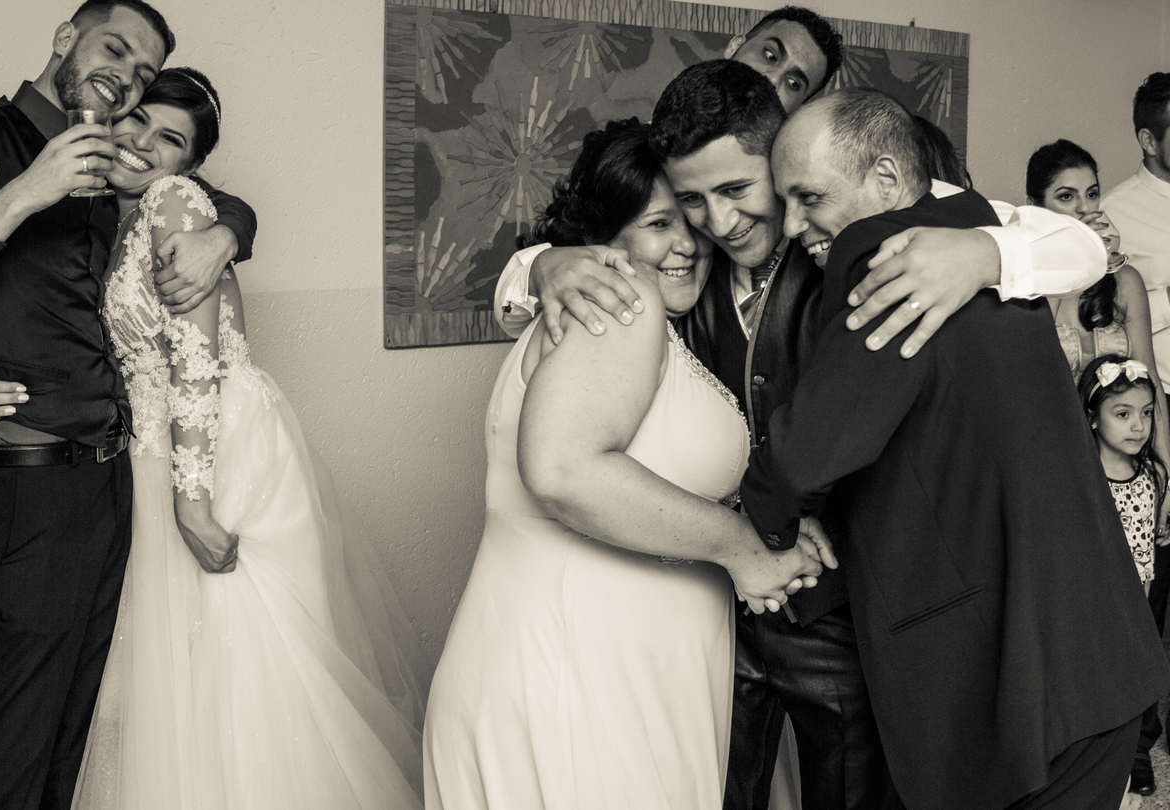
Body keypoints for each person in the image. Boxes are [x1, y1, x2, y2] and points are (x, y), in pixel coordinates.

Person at [501, 57, 1111, 809]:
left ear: (781, 160)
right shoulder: (683, 270)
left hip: (840, 613)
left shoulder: (857, 236)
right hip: (717, 603)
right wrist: (540, 264)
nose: (717, 222)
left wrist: (988, 252)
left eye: (737, 191)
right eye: (691, 202)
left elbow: (1073, 244)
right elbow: (584, 277)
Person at [739, 85, 1170, 810]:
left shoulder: (888, 261)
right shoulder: (984, 240)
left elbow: (800, 457)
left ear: (885, 179)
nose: (791, 224)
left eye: (808, 197)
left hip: (1022, 695)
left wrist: (767, 520)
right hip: (1093, 661)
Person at [424, 118, 835, 810]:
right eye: (657, 224)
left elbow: (648, 472)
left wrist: (769, 525)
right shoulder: (621, 303)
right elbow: (563, 471)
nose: (688, 243)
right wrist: (740, 548)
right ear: (604, 239)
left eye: (690, 221)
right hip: (580, 688)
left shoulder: (624, 313)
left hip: (598, 672)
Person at [70, 68, 425, 809]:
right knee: (186, 668)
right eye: (138, 119)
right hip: (159, 446)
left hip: (212, 449)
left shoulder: (174, 202)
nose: (142, 142)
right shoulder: (109, 214)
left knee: (242, 660)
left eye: (170, 139)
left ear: (192, 164)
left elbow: (195, 361)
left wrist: (193, 502)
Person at [0, 4, 257, 809]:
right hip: (22, 483)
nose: (125, 77)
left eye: (142, 72)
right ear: (65, 37)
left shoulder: (116, 170)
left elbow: (197, 197)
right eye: (115, 49)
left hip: (110, 484)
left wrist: (228, 229)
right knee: (8, 738)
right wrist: (27, 192)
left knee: (77, 730)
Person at [1026, 139, 1170, 480]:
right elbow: (1029, 372)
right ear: (1035, 207)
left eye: (1091, 194)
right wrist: (1078, 260)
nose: (1084, 209)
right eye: (1066, 197)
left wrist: (1166, 470)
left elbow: (1149, 376)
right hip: (1048, 460)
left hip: (1122, 464)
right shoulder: (1025, 280)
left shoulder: (1123, 280)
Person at [1103, 72, 1170, 798]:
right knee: (1145, 592)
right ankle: (1137, 741)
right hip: (1149, 412)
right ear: (1149, 138)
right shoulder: (1117, 216)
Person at [1079, 355, 1167, 593]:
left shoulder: (1153, 473)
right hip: (1091, 597)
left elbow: (1146, 553)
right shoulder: (1081, 479)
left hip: (1138, 603)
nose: (1139, 426)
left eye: (1146, 412)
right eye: (1123, 414)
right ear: (1092, 417)